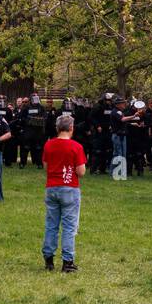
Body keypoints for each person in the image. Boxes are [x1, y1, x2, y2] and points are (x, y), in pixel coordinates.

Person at [41, 113, 85, 272]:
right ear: (71, 128)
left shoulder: (49, 145)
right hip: (69, 188)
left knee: (51, 224)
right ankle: (67, 261)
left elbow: (46, 166)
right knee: (69, 226)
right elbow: (81, 172)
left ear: (57, 128)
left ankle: (48, 259)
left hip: (52, 187)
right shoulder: (76, 146)